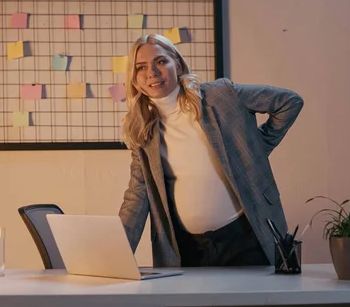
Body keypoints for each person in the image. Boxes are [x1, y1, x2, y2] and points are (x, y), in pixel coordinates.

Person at [117, 33, 304, 268]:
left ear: (178, 63)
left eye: (161, 61)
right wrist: (115, 260)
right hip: (186, 249)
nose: (152, 73)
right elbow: (136, 197)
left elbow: (289, 102)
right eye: (140, 67)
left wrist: (255, 150)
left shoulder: (219, 95)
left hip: (245, 238)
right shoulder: (143, 131)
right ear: (134, 79)